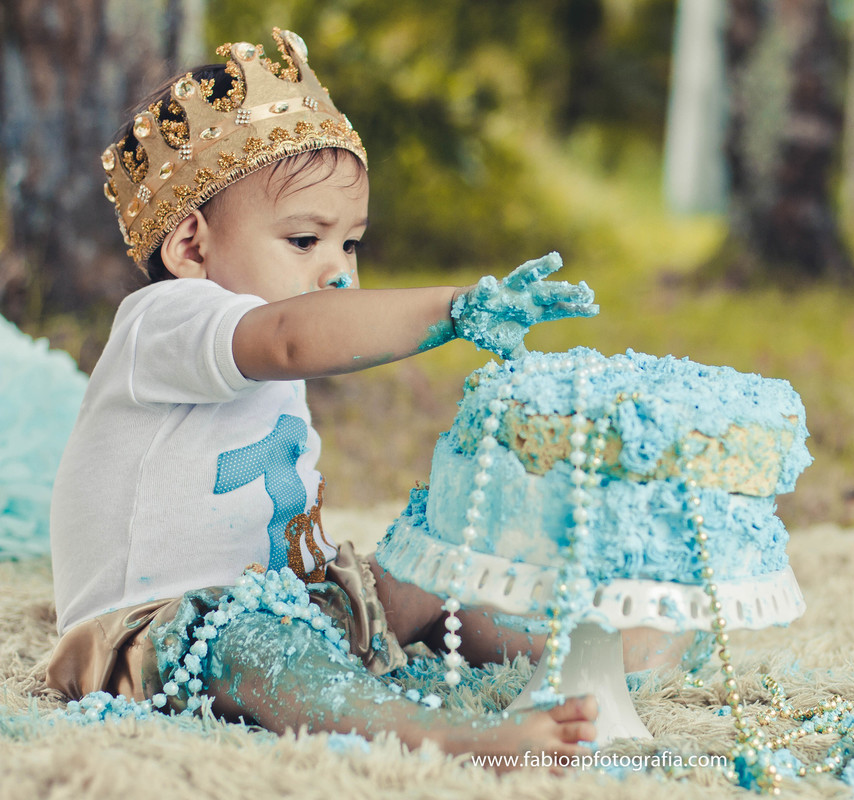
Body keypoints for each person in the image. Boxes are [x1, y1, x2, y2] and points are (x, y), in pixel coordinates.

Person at [46, 29, 602, 764]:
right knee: (258, 645)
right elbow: (291, 338)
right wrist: (453, 309)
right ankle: (438, 736)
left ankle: (573, 649)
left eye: (353, 244)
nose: (339, 272)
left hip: (285, 605)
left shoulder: (260, 334)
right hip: (153, 632)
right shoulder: (167, 321)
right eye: (306, 241)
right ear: (190, 246)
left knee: (420, 571)